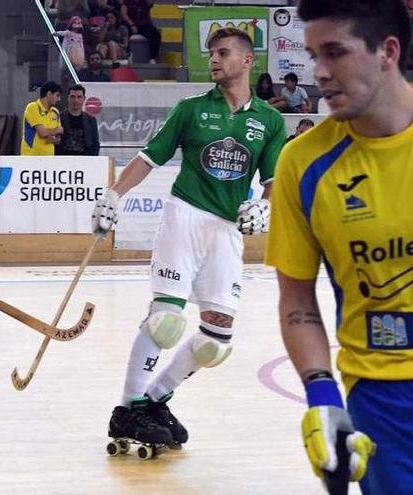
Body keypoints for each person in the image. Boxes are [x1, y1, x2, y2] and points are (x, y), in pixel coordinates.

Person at [91, 27, 285, 449]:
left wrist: (266, 205)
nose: (214, 60)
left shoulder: (269, 121)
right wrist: (114, 194)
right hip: (185, 216)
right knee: (167, 321)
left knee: (216, 340)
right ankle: (127, 410)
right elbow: (148, 157)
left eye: (223, 53)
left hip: (227, 230)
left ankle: (155, 400)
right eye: (212, 53)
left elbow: (272, 181)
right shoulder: (191, 109)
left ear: (248, 61)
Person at [265, 1, 412, 493]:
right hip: (382, 399)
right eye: (313, 56)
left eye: (336, 53)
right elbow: (298, 299)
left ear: (388, 51)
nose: (320, 74)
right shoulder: (303, 164)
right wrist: (322, 396)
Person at [21, 81, 63, 156]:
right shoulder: (32, 107)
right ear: (49, 94)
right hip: (31, 156)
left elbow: (58, 139)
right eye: (57, 95)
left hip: (49, 157)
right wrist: (56, 130)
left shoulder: (55, 112)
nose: (59, 99)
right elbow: (43, 133)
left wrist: (53, 139)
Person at [57, 84, 100, 156]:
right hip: (63, 160)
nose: (76, 100)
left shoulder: (91, 120)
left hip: (85, 160)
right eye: (72, 97)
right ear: (68, 98)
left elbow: (95, 143)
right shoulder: (59, 118)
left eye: (79, 97)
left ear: (84, 98)